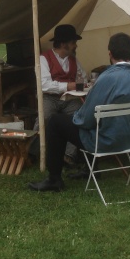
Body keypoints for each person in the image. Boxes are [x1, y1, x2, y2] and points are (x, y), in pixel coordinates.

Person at [28, 32, 130, 192]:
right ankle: (90, 169)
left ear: (110, 54)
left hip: (106, 141)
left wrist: (78, 117)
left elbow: (85, 119)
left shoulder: (107, 78)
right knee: (86, 120)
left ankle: (54, 179)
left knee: (56, 122)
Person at [29, 24, 89, 164]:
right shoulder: (43, 59)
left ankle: (68, 155)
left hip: (69, 99)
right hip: (49, 97)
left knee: (79, 116)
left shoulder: (74, 60)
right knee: (45, 116)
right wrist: (68, 85)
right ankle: (33, 153)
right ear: (63, 44)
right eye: (73, 43)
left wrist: (81, 84)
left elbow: (83, 77)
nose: (76, 46)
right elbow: (44, 85)